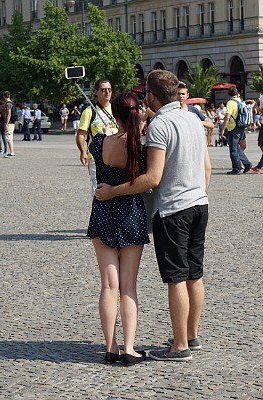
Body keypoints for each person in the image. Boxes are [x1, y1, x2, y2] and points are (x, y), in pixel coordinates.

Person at [95, 69, 211, 362]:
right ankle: (192, 335)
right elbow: (207, 168)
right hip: (200, 203)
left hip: (173, 208)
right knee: (195, 274)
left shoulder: (160, 125)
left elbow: (152, 178)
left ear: (153, 96)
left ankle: (179, 346)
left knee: (176, 278)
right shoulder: (194, 119)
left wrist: (112, 192)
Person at [87, 92, 149, 366]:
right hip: (131, 212)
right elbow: (147, 179)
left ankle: (110, 347)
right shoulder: (141, 148)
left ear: (116, 115)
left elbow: (91, 148)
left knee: (108, 285)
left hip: (103, 210)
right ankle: (130, 348)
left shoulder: (100, 141)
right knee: (128, 288)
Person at [76, 78, 118, 198]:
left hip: (116, 156)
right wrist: (82, 152)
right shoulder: (89, 111)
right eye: (103, 90)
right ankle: (98, 213)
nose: (107, 92)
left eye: (109, 89)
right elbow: (81, 134)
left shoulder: (116, 109)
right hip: (96, 158)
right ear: (96, 91)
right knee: (98, 188)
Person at [221, 86, 252, 175]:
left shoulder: (230, 102)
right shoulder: (240, 101)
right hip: (241, 126)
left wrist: (223, 129)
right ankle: (246, 163)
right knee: (237, 147)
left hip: (233, 127)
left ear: (229, 94)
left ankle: (237, 168)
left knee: (233, 149)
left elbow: (227, 117)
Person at [3, 91, 16, 157]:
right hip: (12, 122)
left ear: (4, 97)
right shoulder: (12, 103)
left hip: (9, 122)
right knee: (10, 137)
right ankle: (12, 151)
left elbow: (9, 113)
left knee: (9, 137)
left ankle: (12, 152)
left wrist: (7, 123)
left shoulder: (8, 104)